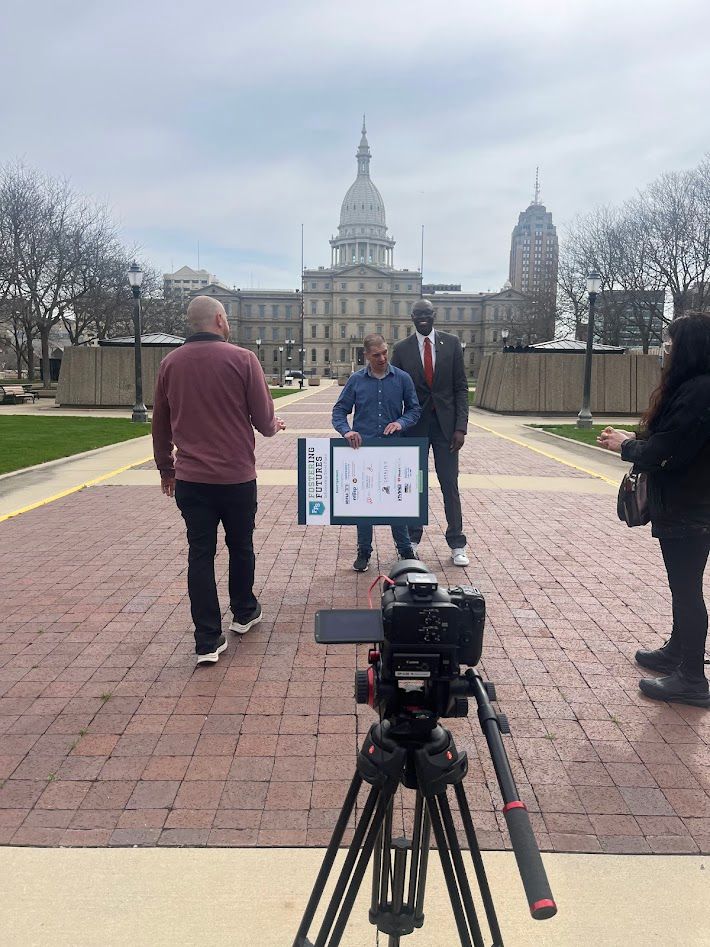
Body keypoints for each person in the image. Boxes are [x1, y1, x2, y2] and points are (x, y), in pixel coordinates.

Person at [152, 295, 286, 665]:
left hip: (191, 479)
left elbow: (160, 423)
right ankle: (243, 611)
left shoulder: (170, 363)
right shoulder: (243, 359)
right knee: (241, 546)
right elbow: (264, 422)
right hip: (236, 477)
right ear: (220, 319)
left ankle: (207, 640)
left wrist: (165, 467)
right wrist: (275, 425)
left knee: (200, 554)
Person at [598, 312, 710, 708]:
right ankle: (678, 651)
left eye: (670, 345)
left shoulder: (699, 390)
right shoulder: (696, 388)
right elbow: (673, 436)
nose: (665, 352)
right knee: (684, 587)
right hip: (690, 504)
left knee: (686, 590)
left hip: (689, 507)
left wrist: (626, 447)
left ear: (688, 349)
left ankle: (692, 678)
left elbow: (669, 451)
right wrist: (633, 436)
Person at [332, 333, 421, 571]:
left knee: (397, 501)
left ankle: (405, 549)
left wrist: (401, 422)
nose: (382, 358)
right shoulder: (356, 381)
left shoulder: (402, 378)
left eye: (384, 353)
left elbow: (414, 410)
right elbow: (339, 411)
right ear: (366, 356)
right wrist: (347, 431)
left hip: (393, 450)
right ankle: (364, 551)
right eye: (376, 355)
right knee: (364, 503)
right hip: (364, 451)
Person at [390, 299, 470, 566]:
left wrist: (460, 427)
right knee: (415, 485)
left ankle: (457, 542)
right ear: (412, 317)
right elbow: (395, 390)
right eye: (418, 314)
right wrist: (397, 425)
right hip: (416, 426)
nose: (422, 318)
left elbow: (460, 388)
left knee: (450, 483)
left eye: (427, 313)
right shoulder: (402, 349)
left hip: (447, 428)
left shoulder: (452, 343)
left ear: (434, 315)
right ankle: (412, 539)